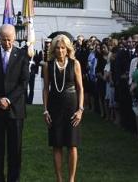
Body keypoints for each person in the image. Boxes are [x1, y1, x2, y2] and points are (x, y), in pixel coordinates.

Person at [0, 24, 29, 182]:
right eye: (4, 40)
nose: (7, 43)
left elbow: (23, 83)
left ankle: (13, 179)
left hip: (15, 110)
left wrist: (9, 99)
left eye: (9, 40)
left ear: (14, 37)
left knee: (15, 149)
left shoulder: (22, 55)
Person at [42, 34, 84, 182]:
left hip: (72, 106)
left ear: (67, 49)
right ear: (53, 49)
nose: (60, 51)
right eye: (57, 48)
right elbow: (46, 88)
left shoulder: (75, 63)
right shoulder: (48, 65)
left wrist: (80, 110)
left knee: (72, 145)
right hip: (54, 107)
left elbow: (80, 88)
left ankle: (71, 179)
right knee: (57, 144)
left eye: (63, 48)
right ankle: (59, 179)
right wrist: (45, 110)